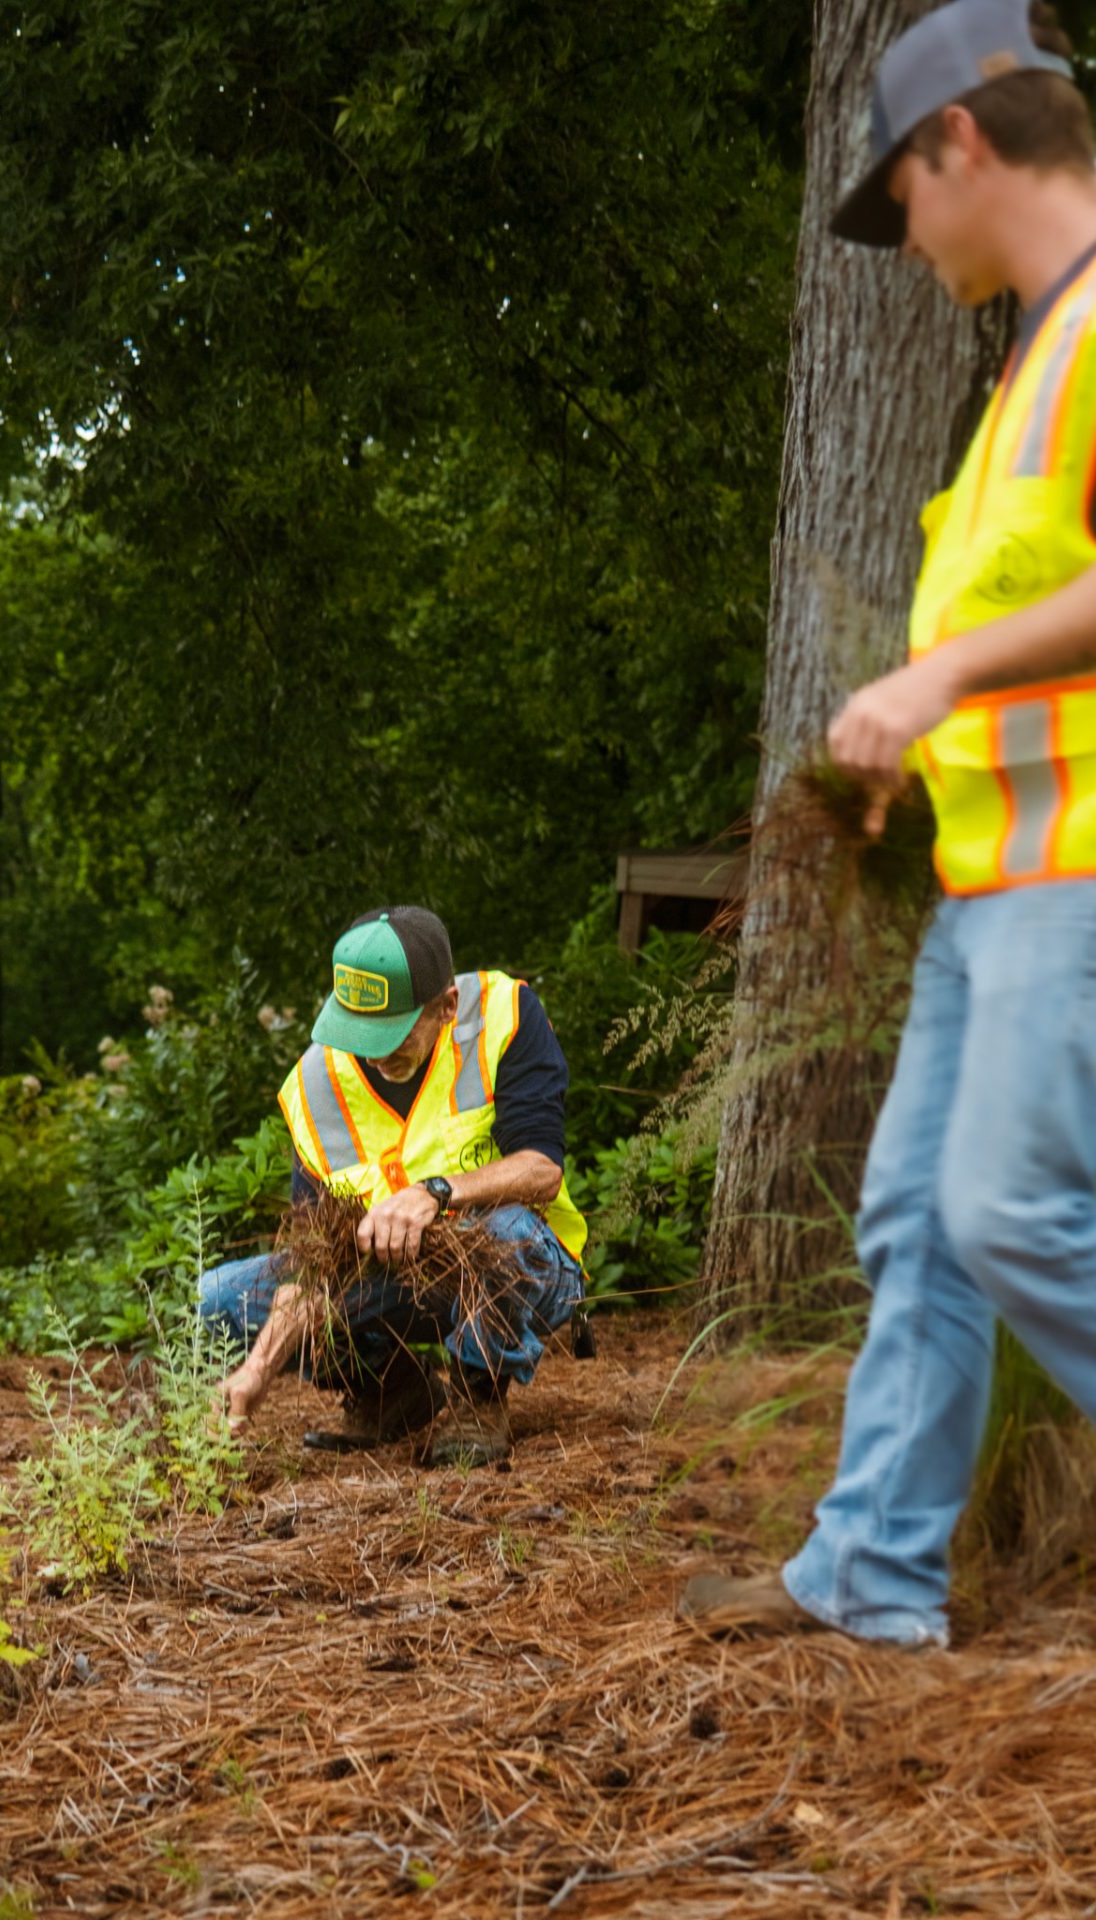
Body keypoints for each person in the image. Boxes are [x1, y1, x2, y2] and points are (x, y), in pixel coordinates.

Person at [684, 0, 1096, 1645]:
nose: (901, 235)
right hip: (991, 879)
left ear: (962, 141)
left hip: (1077, 874)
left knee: (1003, 1212)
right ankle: (869, 1575)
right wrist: (906, 755)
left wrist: (934, 684)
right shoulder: (1028, 361)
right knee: (918, 1219)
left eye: (899, 196)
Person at [200, 905, 588, 1466]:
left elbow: (541, 1169)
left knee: (511, 1233)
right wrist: (258, 1371)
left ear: (446, 1006)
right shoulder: (317, 1084)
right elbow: (313, 1268)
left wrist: (436, 1193)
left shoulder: (501, 1017)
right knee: (219, 1301)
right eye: (361, 1032)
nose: (377, 1053)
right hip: (393, 1282)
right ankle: (391, 1391)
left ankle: (479, 1394)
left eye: (395, 1032)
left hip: (518, 1266)